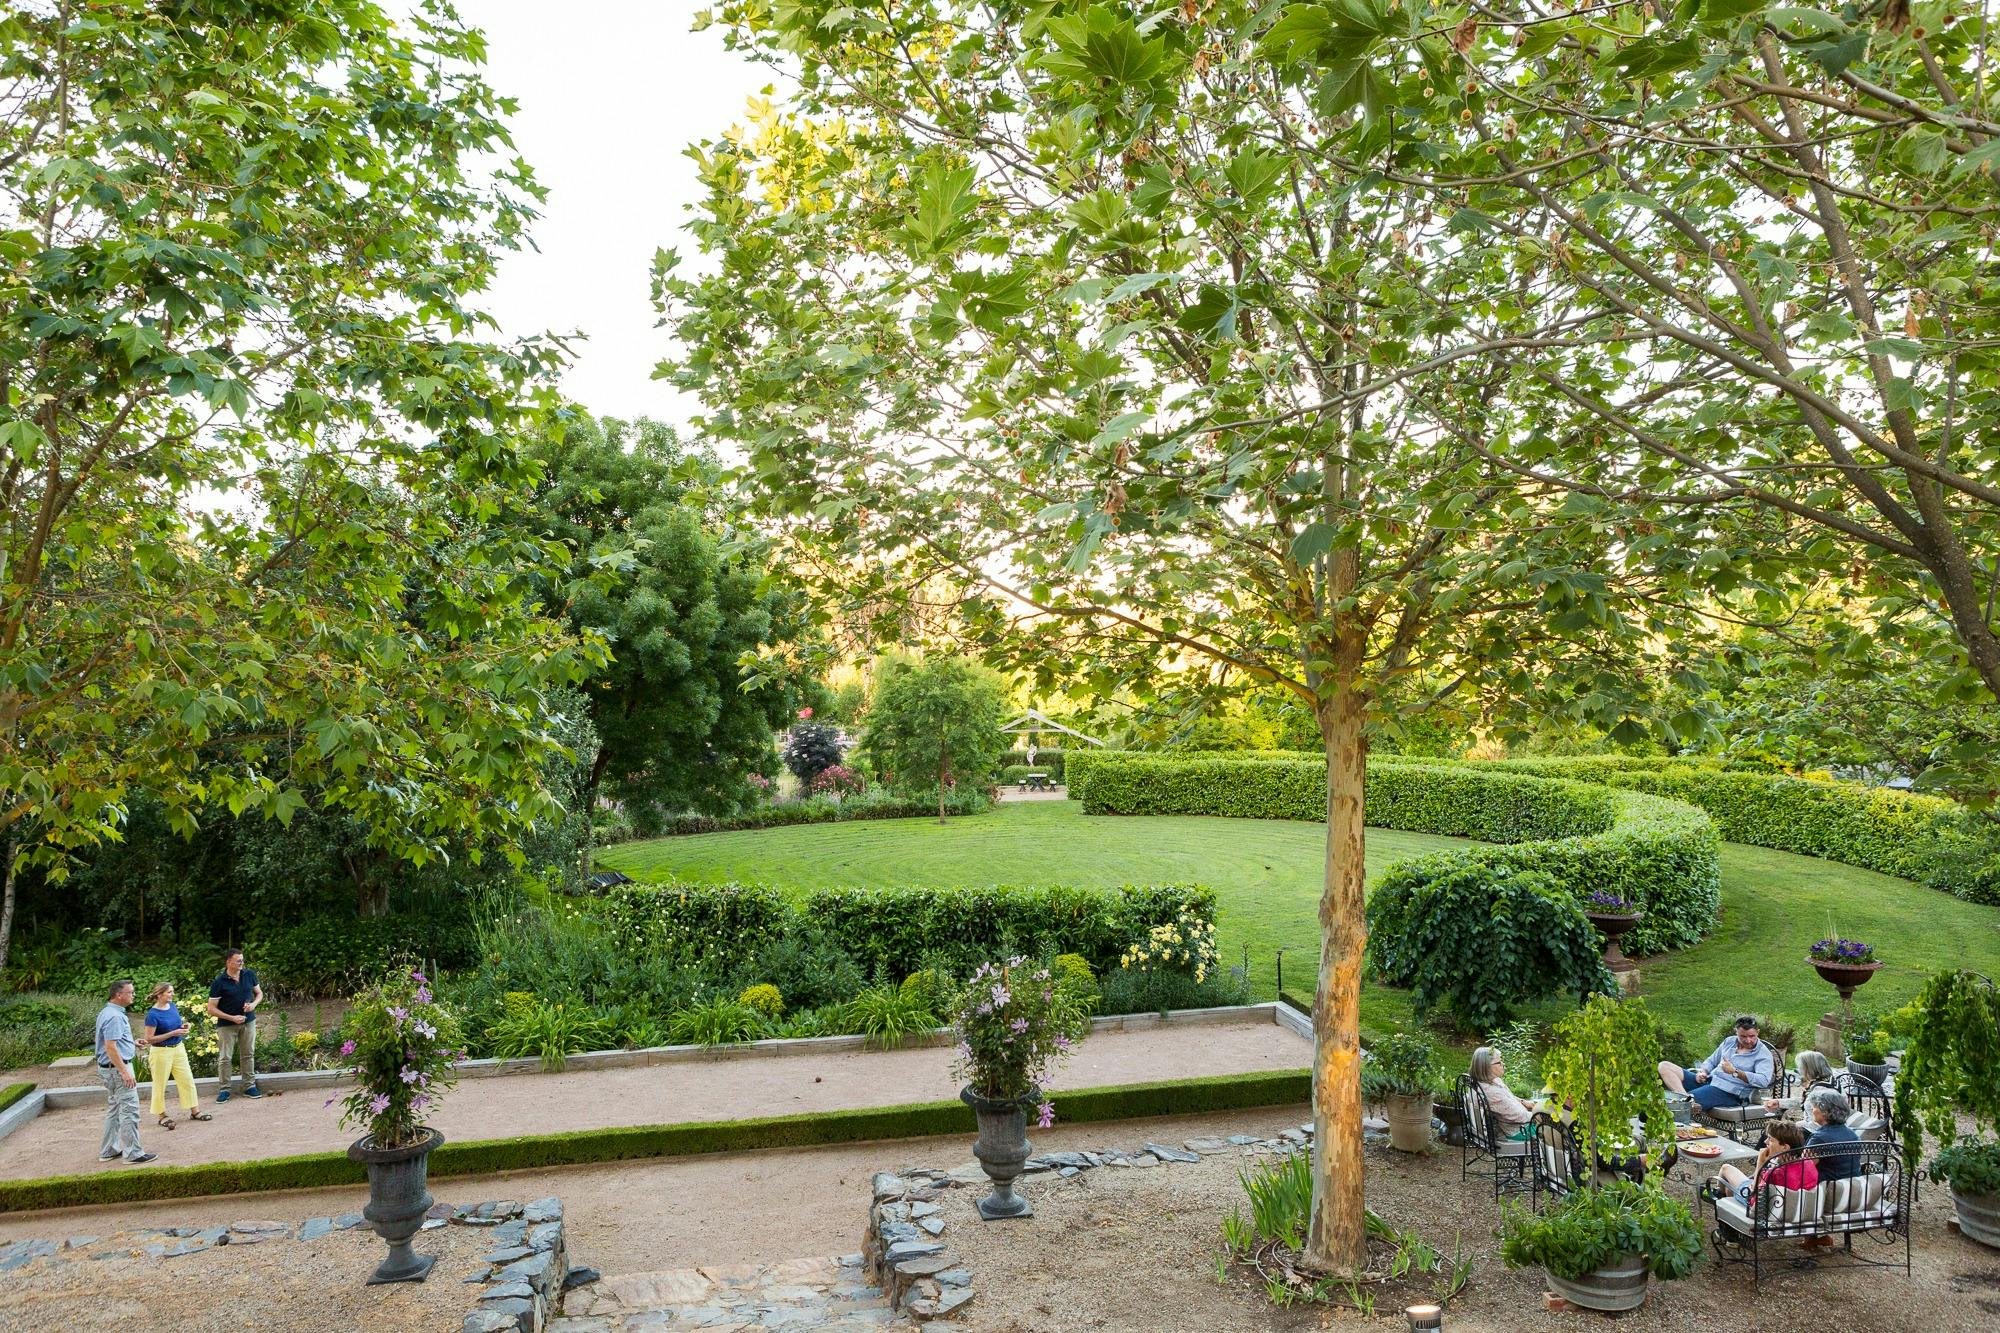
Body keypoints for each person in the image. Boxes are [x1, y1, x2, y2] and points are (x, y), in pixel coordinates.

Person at [95, 980, 156, 1165]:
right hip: (117, 1069)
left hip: (109, 1069)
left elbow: (112, 1042)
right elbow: (110, 1047)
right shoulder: (115, 1016)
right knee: (129, 1110)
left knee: (114, 1110)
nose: (133, 995)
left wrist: (131, 1043)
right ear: (119, 995)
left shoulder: (107, 1012)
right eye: (131, 992)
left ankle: (108, 1150)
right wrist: (124, 1071)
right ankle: (133, 1154)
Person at [1659, 1015, 1775, 1111]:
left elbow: (1763, 1080)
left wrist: (1735, 1072)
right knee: (1664, 1066)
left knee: (1674, 1104)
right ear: (1736, 1032)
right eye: (1743, 1036)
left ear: (1758, 1032)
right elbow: (1711, 1060)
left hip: (1729, 1092)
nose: (1748, 1040)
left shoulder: (1763, 1054)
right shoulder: (1729, 1041)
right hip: (1710, 1081)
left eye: (1752, 1036)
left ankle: (1686, 1102)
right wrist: (1703, 1072)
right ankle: (1686, 1099)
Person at [142, 982, 210, 1129]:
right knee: (160, 1084)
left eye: (172, 991)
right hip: (161, 1052)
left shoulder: (172, 1007)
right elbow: (149, 1039)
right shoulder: (152, 1015)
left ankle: (195, 1111)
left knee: (187, 1080)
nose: (172, 994)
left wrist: (184, 1027)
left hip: (179, 1049)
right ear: (159, 994)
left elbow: (176, 1026)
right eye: (169, 992)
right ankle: (162, 1116)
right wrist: (173, 1033)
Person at [1716, 1120, 1817, 1210]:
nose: (1765, 1142)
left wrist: (1760, 1163)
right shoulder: (1809, 1163)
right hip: (1797, 1207)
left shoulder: (1775, 1173)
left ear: (1785, 1147)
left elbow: (1753, 1199)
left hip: (1768, 1210)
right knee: (1729, 1186)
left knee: (1726, 1168)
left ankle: (1717, 1199)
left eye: (1770, 1139)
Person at [206, 948, 264, 1101]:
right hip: (226, 1025)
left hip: (248, 1022)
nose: (241, 963)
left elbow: (259, 993)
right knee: (225, 1057)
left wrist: (253, 1005)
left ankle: (249, 1086)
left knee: (248, 1054)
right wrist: (231, 1018)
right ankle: (224, 1090)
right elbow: (211, 1009)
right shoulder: (219, 982)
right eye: (238, 960)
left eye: (242, 960)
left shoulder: (249, 974)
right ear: (228, 962)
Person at [1469, 1046, 1537, 1141]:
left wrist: (1523, 1102)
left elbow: (1509, 1097)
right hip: (1520, 1130)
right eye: (1499, 1062)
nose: (1503, 1064)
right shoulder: (1491, 1092)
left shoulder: (1494, 1080)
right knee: (1555, 1126)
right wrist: (1540, 1113)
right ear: (1486, 1067)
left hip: (1523, 1122)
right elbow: (1520, 1116)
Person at [1803, 1087, 1862, 1181]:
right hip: (1853, 1184)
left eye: (1814, 1107)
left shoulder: (1819, 1138)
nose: (1812, 1110)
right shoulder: (1853, 1135)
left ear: (1825, 1112)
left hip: (1828, 1186)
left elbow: (1804, 1167)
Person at [1761, 1050, 1833, 1121]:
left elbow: (1817, 1124)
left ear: (1810, 1069)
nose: (1799, 1071)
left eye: (1801, 1068)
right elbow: (1806, 1101)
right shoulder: (1828, 1082)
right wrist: (1779, 1103)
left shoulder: (1820, 1090)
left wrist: (1793, 1126)